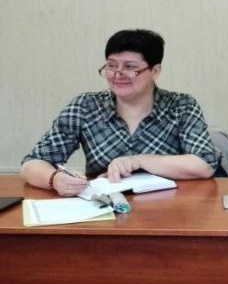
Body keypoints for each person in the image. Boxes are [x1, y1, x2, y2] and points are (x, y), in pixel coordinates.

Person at [21, 29, 218, 196]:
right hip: (105, 209)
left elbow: (205, 164)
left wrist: (138, 160)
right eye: (111, 66)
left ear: (155, 71)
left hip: (168, 208)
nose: (117, 75)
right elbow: (32, 163)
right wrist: (55, 179)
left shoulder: (181, 105)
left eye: (130, 68)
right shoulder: (86, 106)